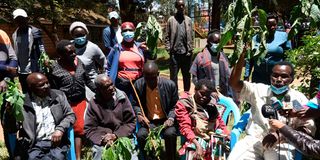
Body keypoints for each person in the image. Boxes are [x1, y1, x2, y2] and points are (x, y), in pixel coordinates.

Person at [228, 47, 315, 160]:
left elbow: (307, 128)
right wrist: (242, 57)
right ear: (270, 77)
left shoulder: (298, 99)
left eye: (284, 76)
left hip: (282, 144)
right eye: (275, 75)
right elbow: (234, 83)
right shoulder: (258, 90)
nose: (278, 79)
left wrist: (280, 135)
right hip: (254, 140)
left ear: (292, 79)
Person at [3, 73, 75, 159]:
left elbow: (70, 115)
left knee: (57, 157)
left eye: (47, 83)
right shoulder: (22, 102)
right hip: (33, 144)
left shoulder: (59, 96)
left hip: (56, 143)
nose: (46, 86)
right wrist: (9, 113)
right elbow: (12, 128)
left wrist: (60, 129)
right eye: (41, 85)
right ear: (31, 87)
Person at [45, 40, 96, 160]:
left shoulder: (79, 63)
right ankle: (67, 154)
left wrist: (98, 90)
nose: (74, 54)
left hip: (79, 102)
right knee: (67, 130)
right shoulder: (53, 68)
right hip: (64, 104)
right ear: (61, 55)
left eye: (74, 51)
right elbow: (51, 89)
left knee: (79, 129)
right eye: (70, 53)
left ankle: (77, 157)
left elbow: (87, 80)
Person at [84, 74, 137, 160]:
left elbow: (131, 122)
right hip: (103, 140)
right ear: (99, 90)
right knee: (99, 154)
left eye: (112, 84)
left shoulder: (122, 97)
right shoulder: (94, 103)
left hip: (122, 136)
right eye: (107, 87)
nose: (112, 88)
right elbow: (89, 129)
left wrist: (116, 135)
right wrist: (103, 140)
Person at [132, 62, 178, 160]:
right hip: (149, 121)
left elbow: (175, 106)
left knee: (170, 134)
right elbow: (135, 104)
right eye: (146, 78)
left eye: (152, 78)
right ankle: (149, 158)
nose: (149, 81)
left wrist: (170, 118)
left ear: (158, 74)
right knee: (141, 135)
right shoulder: (138, 85)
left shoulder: (170, 85)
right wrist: (139, 114)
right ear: (143, 75)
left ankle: (171, 158)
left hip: (165, 120)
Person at [175, 79, 230, 159]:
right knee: (194, 153)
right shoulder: (186, 104)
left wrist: (228, 135)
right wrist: (198, 145)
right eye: (202, 93)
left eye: (207, 95)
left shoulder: (211, 104)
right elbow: (185, 127)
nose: (204, 97)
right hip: (194, 139)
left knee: (225, 150)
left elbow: (220, 122)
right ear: (195, 90)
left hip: (211, 137)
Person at [245, 12, 292, 85]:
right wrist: (246, 76)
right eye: (269, 25)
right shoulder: (255, 39)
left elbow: (289, 57)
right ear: (264, 25)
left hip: (277, 78)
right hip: (258, 78)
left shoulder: (284, 36)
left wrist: (290, 73)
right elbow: (249, 59)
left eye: (274, 25)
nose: (272, 27)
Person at [107, 22, 149, 100]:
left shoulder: (140, 47)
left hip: (138, 82)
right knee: (124, 105)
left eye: (130, 30)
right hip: (122, 83)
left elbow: (150, 61)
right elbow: (108, 66)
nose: (128, 33)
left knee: (138, 105)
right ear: (121, 33)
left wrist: (148, 51)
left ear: (134, 32)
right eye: (125, 31)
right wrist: (110, 81)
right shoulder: (117, 48)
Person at [190, 29, 234, 98]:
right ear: (208, 42)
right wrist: (207, 91)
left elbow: (229, 76)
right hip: (207, 95)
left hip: (223, 93)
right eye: (215, 42)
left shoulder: (223, 57)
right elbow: (194, 78)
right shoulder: (200, 57)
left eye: (219, 42)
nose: (218, 44)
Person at [12, 8, 45, 93]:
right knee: (24, 91)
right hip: (21, 70)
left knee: (35, 90)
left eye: (22, 19)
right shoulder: (15, 34)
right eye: (18, 20)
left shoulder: (35, 33)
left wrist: (42, 68)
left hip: (33, 68)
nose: (20, 22)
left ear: (27, 19)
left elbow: (42, 51)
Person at [165, 0, 193, 93]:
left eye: (183, 5)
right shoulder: (171, 20)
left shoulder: (188, 20)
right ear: (176, 7)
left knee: (187, 75)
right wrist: (169, 50)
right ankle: (174, 96)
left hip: (186, 54)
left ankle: (186, 94)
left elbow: (192, 35)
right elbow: (167, 36)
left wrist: (190, 49)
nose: (181, 7)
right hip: (175, 54)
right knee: (173, 76)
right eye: (179, 5)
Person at [0, 29, 18, 159]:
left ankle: (13, 154)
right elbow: (8, 67)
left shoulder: (3, 34)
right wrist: (5, 68)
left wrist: (6, 78)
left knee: (8, 120)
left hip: (6, 85)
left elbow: (13, 58)